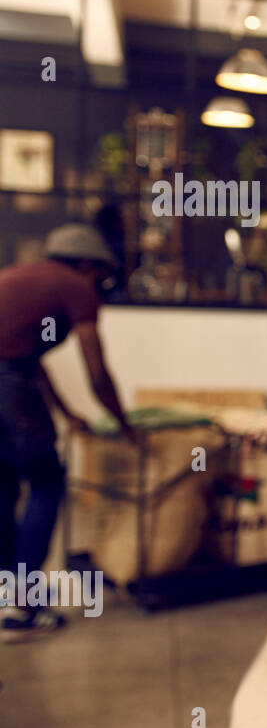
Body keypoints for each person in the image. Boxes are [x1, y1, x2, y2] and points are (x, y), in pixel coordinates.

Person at [0, 223, 138, 641]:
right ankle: (23, 607)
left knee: (5, 490)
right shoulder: (76, 287)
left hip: (12, 384)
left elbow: (31, 360)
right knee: (45, 483)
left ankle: (10, 595)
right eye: (100, 274)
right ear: (86, 264)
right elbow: (97, 370)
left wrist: (67, 413)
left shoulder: (17, 277)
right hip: (9, 391)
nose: (100, 284)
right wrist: (122, 421)